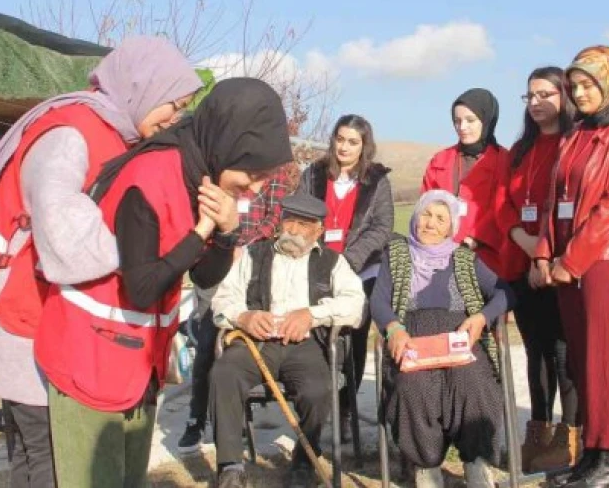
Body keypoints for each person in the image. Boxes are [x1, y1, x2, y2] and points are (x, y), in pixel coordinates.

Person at [0, 36, 202, 488]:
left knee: (35, 461)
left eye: (183, 108)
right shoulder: (72, 136)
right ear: (140, 88)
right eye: (172, 104)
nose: (175, 117)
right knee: (50, 462)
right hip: (24, 325)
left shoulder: (111, 131)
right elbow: (65, 241)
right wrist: (146, 245)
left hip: (41, 322)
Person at [33, 77, 293, 488]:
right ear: (228, 145)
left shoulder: (200, 175)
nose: (257, 187)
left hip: (136, 364)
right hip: (91, 359)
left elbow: (203, 276)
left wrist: (225, 234)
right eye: (254, 172)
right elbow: (142, 287)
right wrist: (202, 231)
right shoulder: (150, 176)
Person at [534, 46, 609, 488]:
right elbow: (552, 201)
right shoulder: (572, 137)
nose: (579, 93)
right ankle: (592, 457)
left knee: (606, 360)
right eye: (574, 86)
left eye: (588, 85)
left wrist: (572, 260)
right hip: (564, 264)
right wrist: (544, 252)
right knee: (581, 361)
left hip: (602, 261)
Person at [208, 193, 366, 488]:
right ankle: (230, 466)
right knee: (223, 374)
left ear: (318, 230)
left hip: (305, 346)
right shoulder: (254, 254)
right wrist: (244, 317)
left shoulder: (333, 262)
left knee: (317, 389)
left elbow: (355, 304)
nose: (293, 230)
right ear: (279, 223)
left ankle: (304, 462)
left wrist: (312, 315)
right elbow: (222, 299)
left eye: (303, 224)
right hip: (257, 342)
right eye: (289, 221)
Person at [474, 67, 579, 472]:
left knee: (564, 352)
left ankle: (570, 436)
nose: (536, 102)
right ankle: (538, 433)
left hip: (564, 266)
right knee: (536, 352)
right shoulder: (519, 152)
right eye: (530, 95)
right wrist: (527, 245)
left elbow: (567, 205)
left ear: (564, 97)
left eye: (545, 94)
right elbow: (502, 205)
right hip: (524, 264)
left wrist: (548, 255)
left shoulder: (574, 144)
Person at [371, 190, 513, 488]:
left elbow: (505, 292)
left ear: (450, 227)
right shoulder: (395, 255)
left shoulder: (464, 258)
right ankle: (427, 467)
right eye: (426, 215)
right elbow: (379, 301)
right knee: (412, 388)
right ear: (415, 217)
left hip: (459, 339)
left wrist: (481, 317)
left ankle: (476, 464)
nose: (430, 224)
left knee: (474, 383)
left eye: (440, 218)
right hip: (411, 339)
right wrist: (394, 328)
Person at [178, 168, 290, 454]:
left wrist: (244, 247)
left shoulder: (276, 172)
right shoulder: (220, 167)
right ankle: (196, 419)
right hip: (216, 261)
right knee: (206, 345)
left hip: (251, 267)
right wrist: (224, 246)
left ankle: (236, 420)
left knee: (241, 344)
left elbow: (273, 218)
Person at [296, 114, 394, 431]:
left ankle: (346, 404)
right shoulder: (313, 176)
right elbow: (299, 217)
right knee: (316, 331)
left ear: (364, 145)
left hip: (361, 268)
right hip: (317, 266)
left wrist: (350, 259)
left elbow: (381, 227)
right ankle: (316, 400)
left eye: (353, 142)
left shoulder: (377, 181)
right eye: (340, 139)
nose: (345, 147)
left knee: (355, 332)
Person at [421, 88, 507, 256]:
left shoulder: (504, 160)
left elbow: (502, 208)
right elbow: (426, 204)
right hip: (441, 253)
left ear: (486, 120)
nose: (462, 127)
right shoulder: (440, 160)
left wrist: (474, 238)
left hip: (488, 255)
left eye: (470, 120)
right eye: (457, 121)